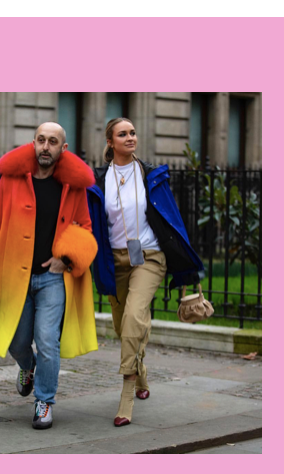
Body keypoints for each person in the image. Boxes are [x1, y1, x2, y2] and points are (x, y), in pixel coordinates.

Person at [0, 123, 99, 430]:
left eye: (52, 141)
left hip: (52, 278)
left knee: (48, 340)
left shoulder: (72, 186)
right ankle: (27, 366)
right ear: (34, 143)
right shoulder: (11, 180)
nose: (45, 146)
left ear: (63, 148)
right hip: (14, 277)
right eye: (41, 140)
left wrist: (65, 259)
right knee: (18, 340)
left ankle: (44, 401)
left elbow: (86, 228)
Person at [87, 118, 205, 427]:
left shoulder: (151, 175)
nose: (130, 138)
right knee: (122, 326)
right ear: (110, 142)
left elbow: (173, 219)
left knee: (135, 316)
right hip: (114, 261)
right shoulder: (99, 180)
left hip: (149, 257)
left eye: (132, 133)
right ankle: (142, 376)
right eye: (122, 134)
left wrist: (185, 264)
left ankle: (126, 395)